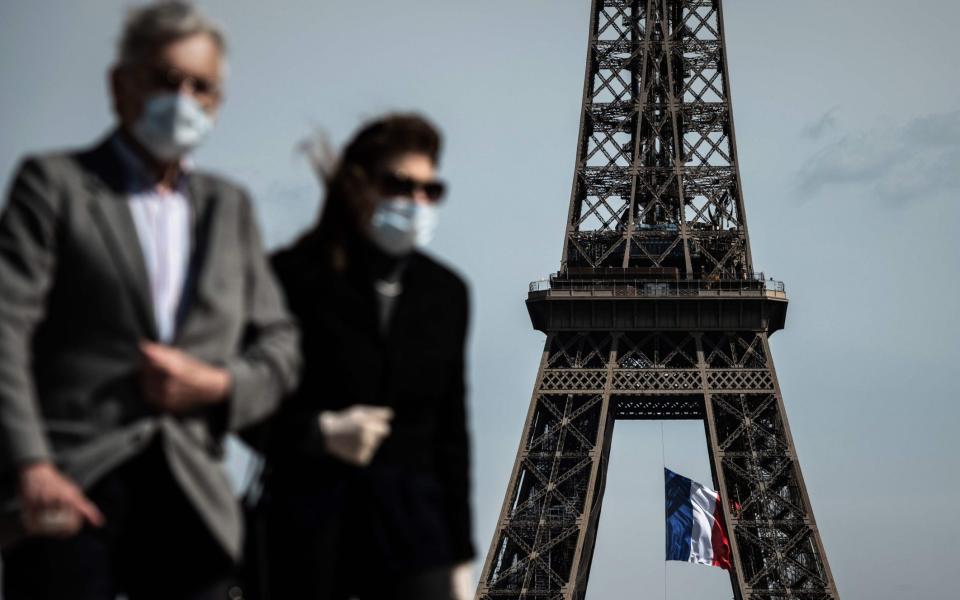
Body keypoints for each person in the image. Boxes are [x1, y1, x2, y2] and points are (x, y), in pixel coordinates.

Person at [0, 2, 300, 598]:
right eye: (168, 81)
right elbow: (4, 328)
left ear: (217, 103)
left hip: (192, 499)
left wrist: (216, 385)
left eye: (202, 87)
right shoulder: (55, 185)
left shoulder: (228, 207)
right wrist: (30, 466)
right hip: (71, 487)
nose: (185, 99)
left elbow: (281, 347)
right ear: (119, 84)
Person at [252, 114, 474, 600]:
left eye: (430, 190)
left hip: (415, 539)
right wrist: (320, 433)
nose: (416, 201)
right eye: (399, 185)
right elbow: (241, 404)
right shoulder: (290, 278)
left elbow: (450, 434)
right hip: (310, 529)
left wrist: (459, 556)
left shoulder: (446, 293)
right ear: (356, 186)